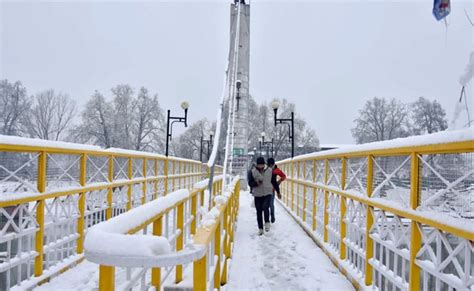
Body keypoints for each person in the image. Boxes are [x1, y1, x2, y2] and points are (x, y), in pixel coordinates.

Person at [250, 157, 274, 235]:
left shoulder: (269, 170)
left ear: (264, 164)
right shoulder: (252, 172)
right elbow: (250, 183)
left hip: (267, 192)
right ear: (257, 165)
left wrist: (278, 190)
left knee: (265, 206)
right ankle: (260, 228)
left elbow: (273, 181)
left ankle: (267, 223)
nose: (261, 166)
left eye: (262, 164)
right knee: (259, 211)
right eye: (259, 165)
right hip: (257, 194)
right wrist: (256, 183)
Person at [267, 158, 286, 223]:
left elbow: (284, 176)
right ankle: (267, 218)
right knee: (266, 205)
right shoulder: (266, 170)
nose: (270, 166)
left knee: (271, 204)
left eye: (271, 165)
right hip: (265, 190)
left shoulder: (276, 170)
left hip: (272, 189)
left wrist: (279, 181)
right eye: (269, 165)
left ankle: (272, 217)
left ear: (274, 164)